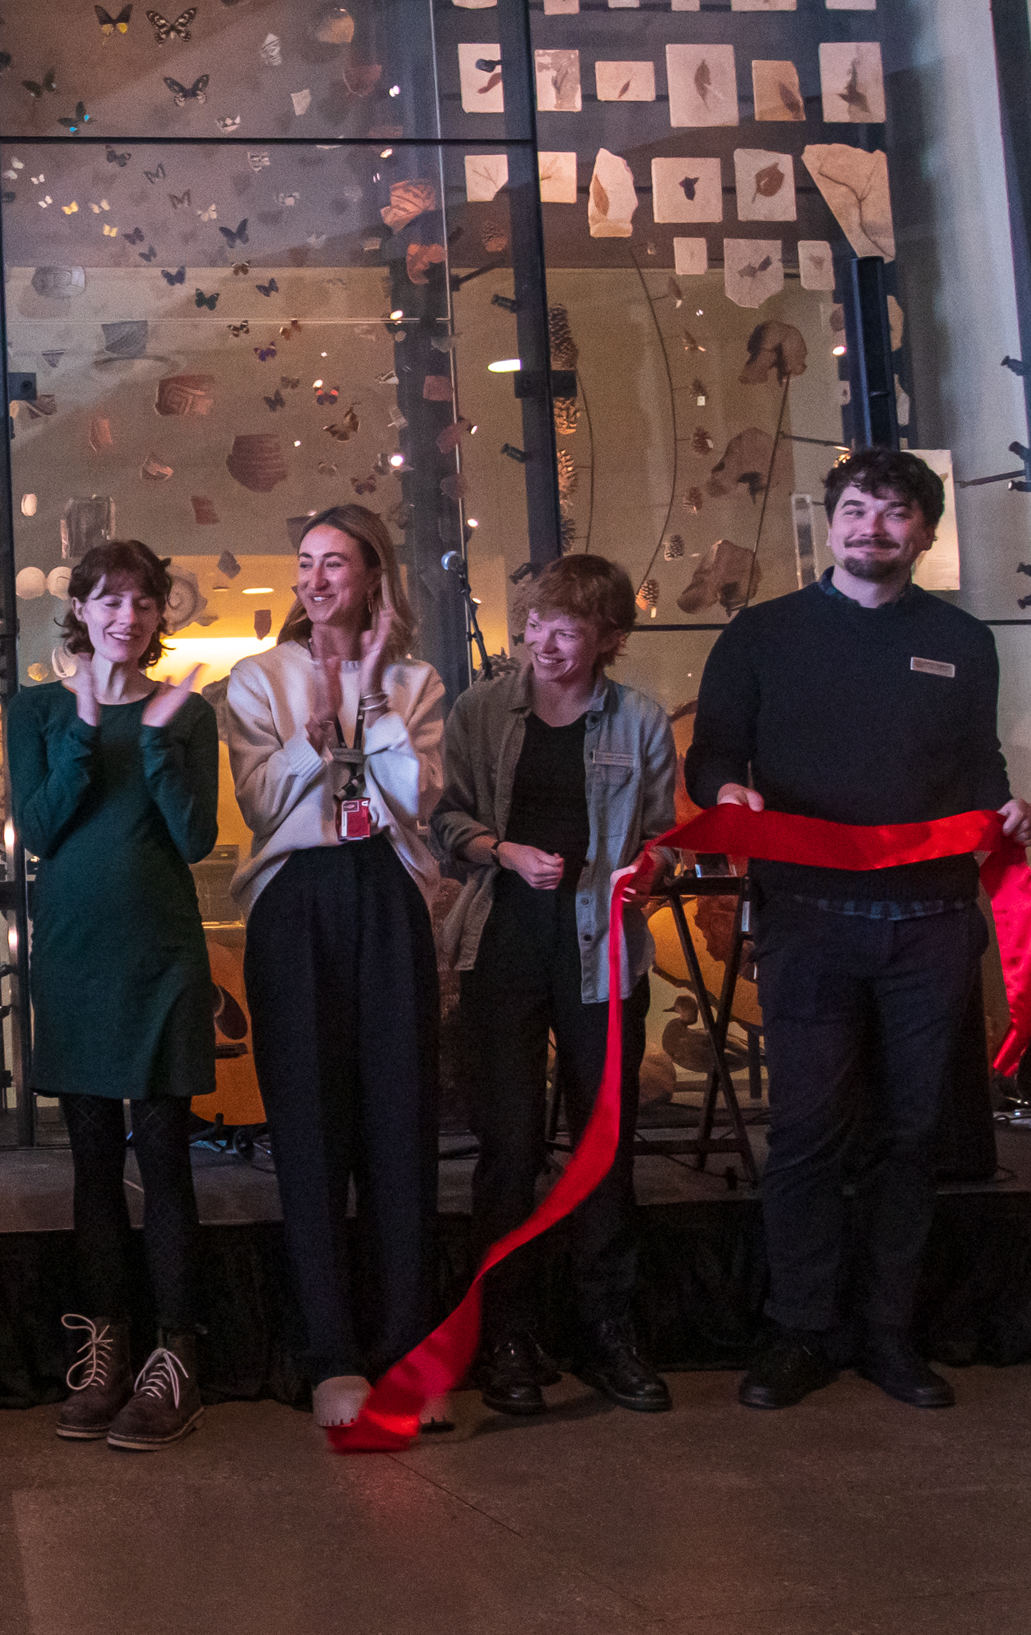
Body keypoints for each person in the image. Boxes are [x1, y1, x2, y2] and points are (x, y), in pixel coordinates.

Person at [686, 448, 1031, 1412]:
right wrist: (725, 792)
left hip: (930, 926)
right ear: (827, 525)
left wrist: (1006, 814)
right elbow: (714, 752)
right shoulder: (762, 634)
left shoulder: (964, 642)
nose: (870, 527)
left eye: (892, 513)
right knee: (804, 1131)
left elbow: (977, 765)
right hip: (807, 923)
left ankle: (889, 1332)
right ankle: (802, 1328)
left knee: (912, 1134)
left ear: (923, 534)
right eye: (854, 509)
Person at [432, 554, 679, 1418]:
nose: (544, 640)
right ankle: (505, 1333)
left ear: (608, 639)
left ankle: (608, 1329)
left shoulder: (640, 720)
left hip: (603, 949)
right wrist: (501, 851)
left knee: (604, 1149)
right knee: (508, 1150)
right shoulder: (480, 710)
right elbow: (445, 821)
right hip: (502, 941)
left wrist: (650, 872)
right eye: (535, 622)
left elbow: (665, 836)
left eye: (567, 628)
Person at [221, 504, 446, 1444]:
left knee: (399, 1123)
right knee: (309, 1127)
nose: (315, 579)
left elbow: (417, 795)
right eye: (304, 562)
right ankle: (330, 1354)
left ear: (373, 577)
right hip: (296, 899)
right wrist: (315, 726)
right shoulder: (255, 677)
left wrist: (371, 698)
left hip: (387, 894)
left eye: (335, 564)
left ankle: (407, 1351)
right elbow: (262, 799)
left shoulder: (417, 679)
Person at [6, 540, 218, 1452]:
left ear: (157, 615)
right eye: (107, 601)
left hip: (161, 955)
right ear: (80, 613)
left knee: (166, 1153)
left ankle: (177, 1359)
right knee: (92, 1158)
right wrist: (87, 729)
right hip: (75, 954)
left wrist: (160, 739)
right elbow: (41, 828)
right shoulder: (37, 708)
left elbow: (196, 836)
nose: (125, 616)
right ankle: (106, 1348)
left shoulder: (187, 712)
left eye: (141, 602)